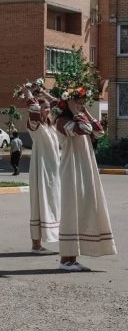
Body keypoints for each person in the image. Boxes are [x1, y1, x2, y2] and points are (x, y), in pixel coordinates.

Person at [55, 92, 116, 271]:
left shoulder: (78, 117)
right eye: (78, 102)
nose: (81, 104)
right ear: (68, 104)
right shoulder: (61, 122)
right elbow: (85, 129)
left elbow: (99, 131)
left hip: (84, 169)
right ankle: (65, 260)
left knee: (84, 209)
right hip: (71, 170)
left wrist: (86, 110)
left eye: (83, 102)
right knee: (71, 211)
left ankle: (72, 258)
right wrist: (75, 111)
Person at [21, 85, 60, 255]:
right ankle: (36, 245)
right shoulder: (34, 125)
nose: (48, 110)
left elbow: (60, 105)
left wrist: (45, 94)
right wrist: (29, 94)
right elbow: (34, 110)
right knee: (39, 203)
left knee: (51, 203)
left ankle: (42, 242)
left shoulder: (51, 125)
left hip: (53, 170)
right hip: (41, 169)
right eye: (45, 108)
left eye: (48, 108)